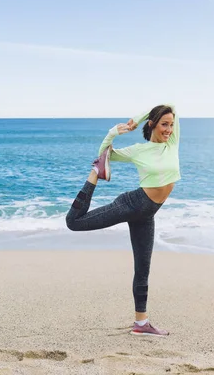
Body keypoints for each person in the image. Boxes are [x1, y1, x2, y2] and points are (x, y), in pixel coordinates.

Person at [66, 104, 180, 337]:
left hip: (147, 213)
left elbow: (170, 104)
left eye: (171, 124)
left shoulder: (172, 143)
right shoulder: (140, 150)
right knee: (74, 223)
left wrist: (139, 118)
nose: (169, 129)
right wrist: (115, 132)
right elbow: (105, 154)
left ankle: (141, 324)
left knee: (143, 269)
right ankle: (93, 177)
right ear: (153, 124)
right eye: (164, 124)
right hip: (131, 204)